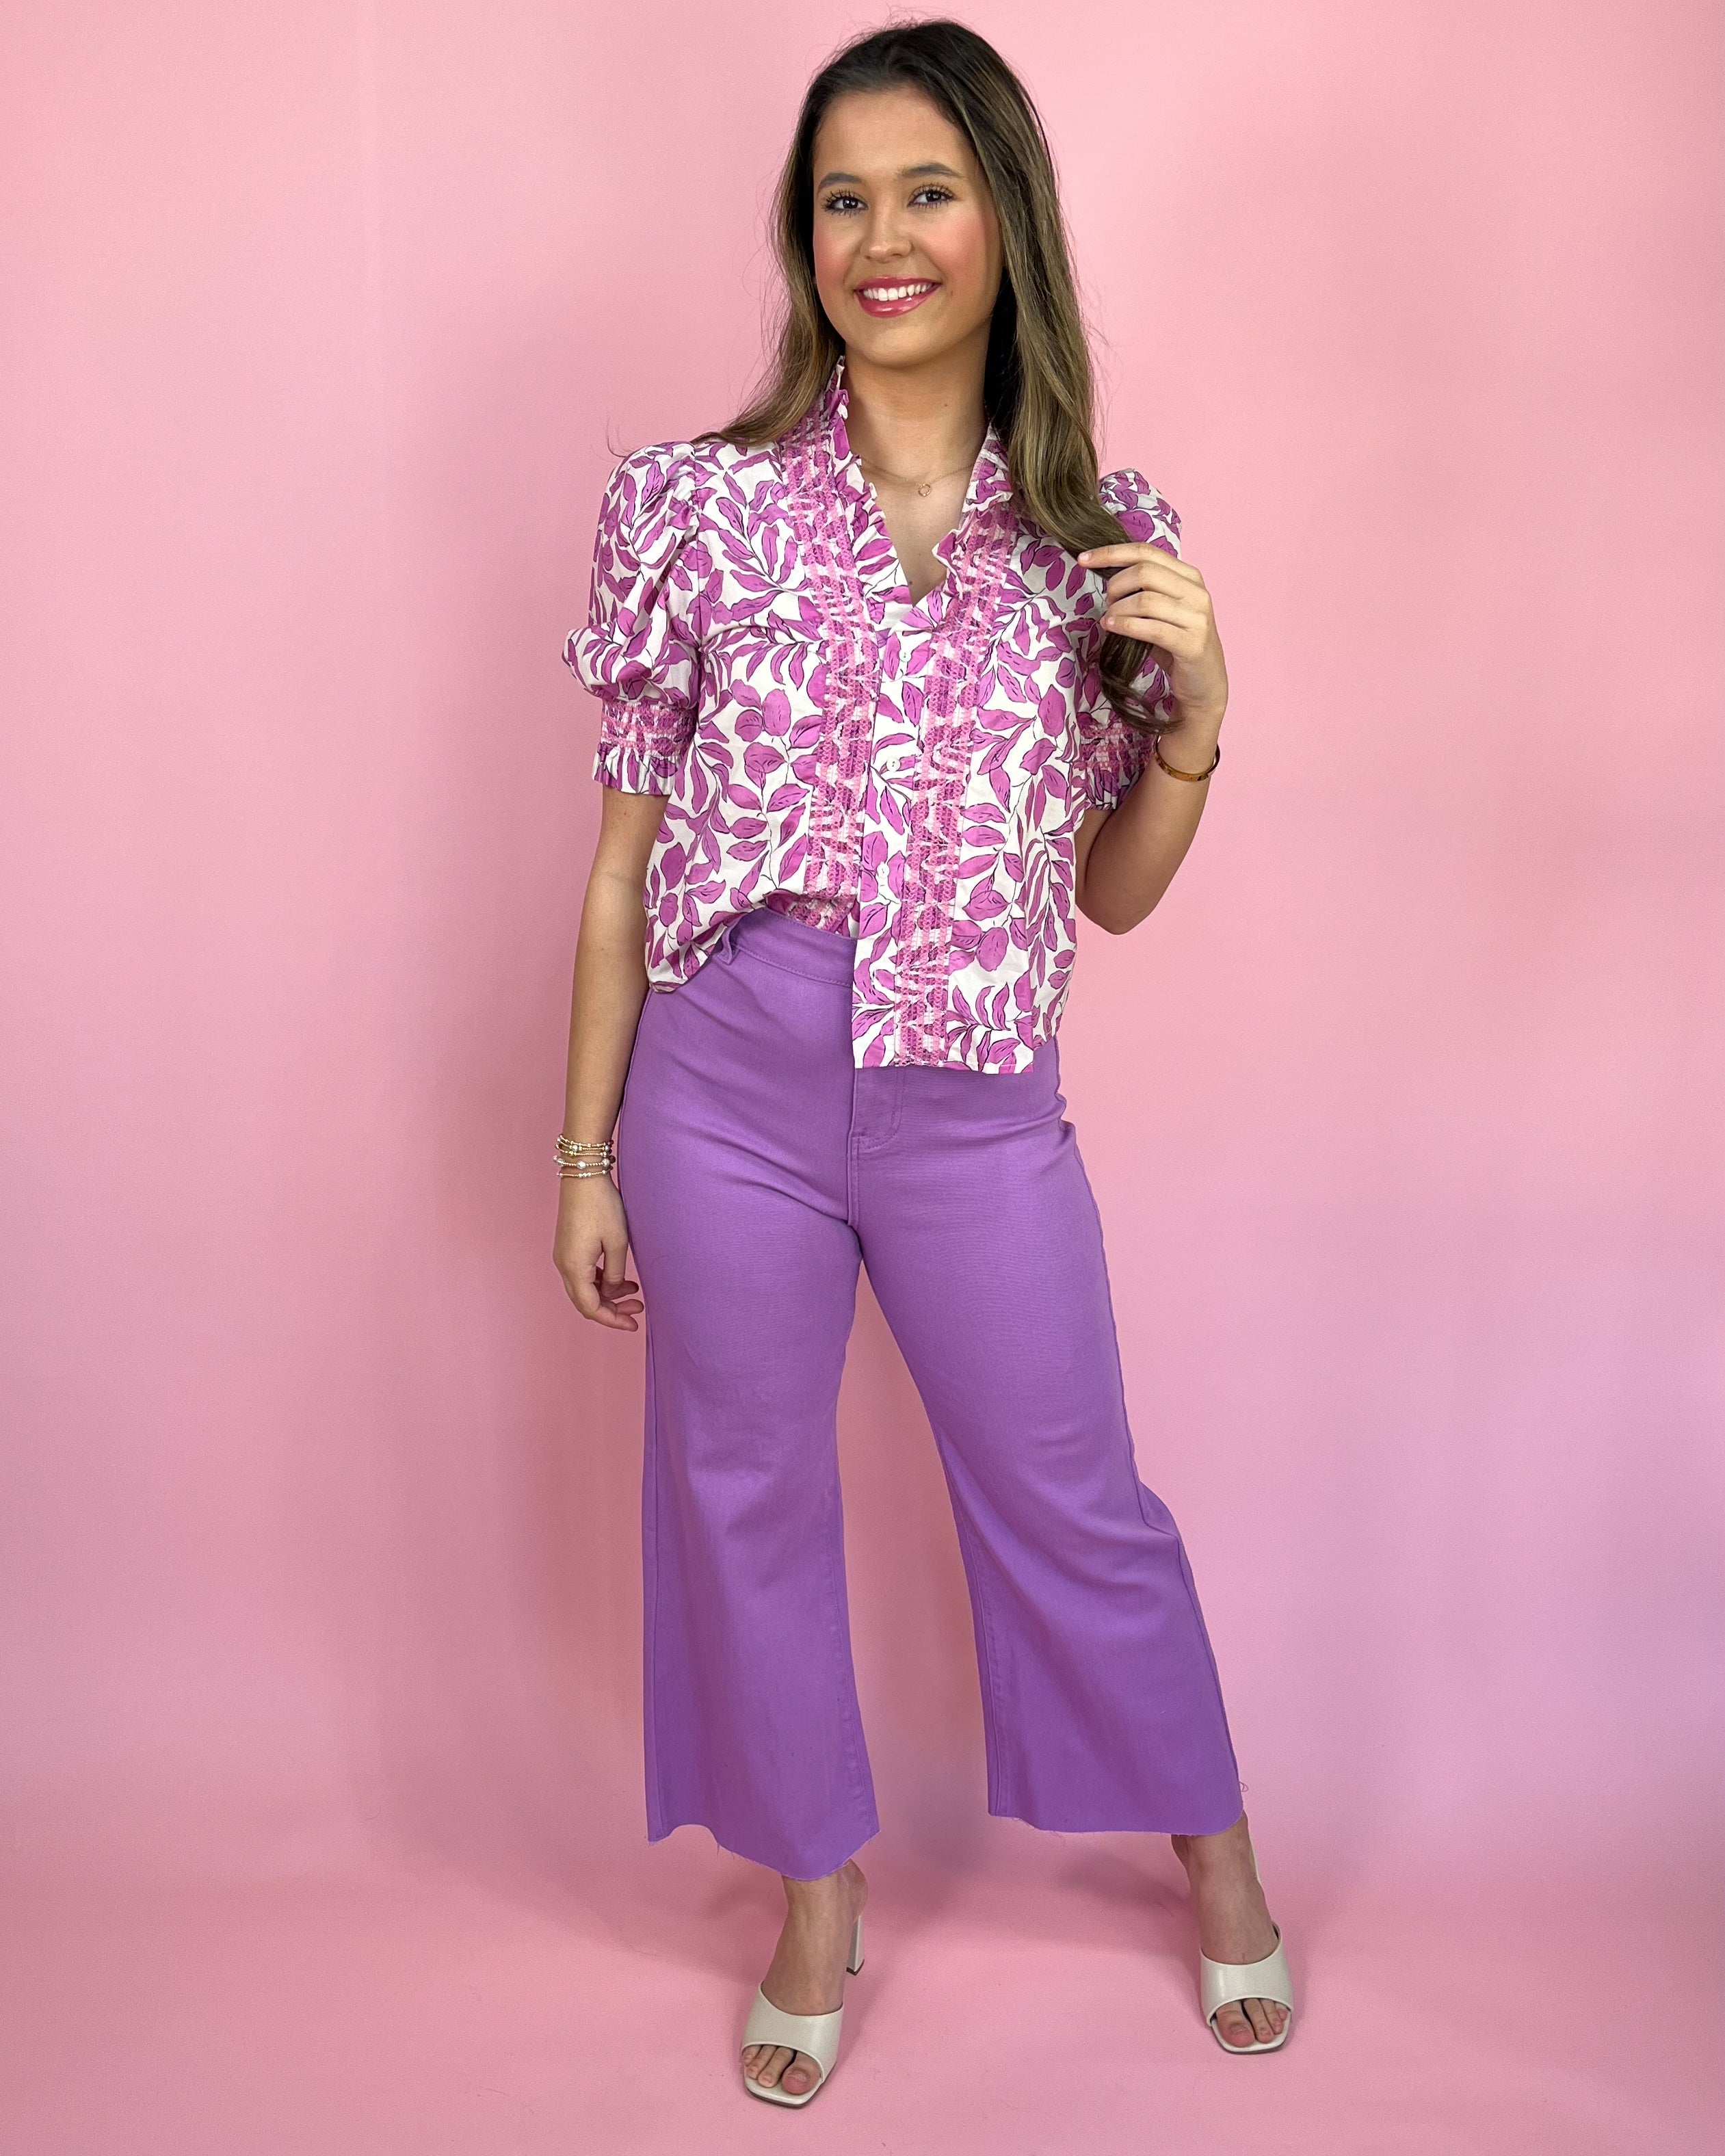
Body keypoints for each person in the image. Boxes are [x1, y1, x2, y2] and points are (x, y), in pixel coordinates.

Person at [553, 17, 1293, 2106]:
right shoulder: (687, 508)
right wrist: (583, 1152)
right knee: (744, 1494)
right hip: (725, 1089)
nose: (880, 238)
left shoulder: (1097, 535)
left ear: (1002, 221)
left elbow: (1113, 894)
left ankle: (1214, 1852)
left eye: (925, 191)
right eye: (840, 199)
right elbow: (618, 871)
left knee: (1072, 1496)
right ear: (804, 240)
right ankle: (815, 1896)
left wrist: (1200, 715)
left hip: (972, 1103)